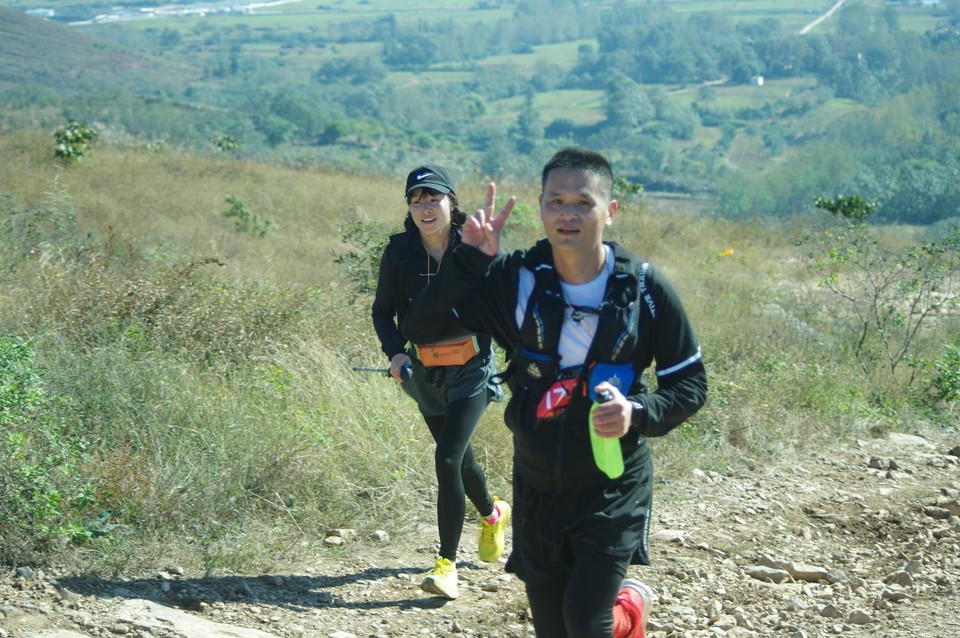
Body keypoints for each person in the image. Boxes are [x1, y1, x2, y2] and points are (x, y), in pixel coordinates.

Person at [402, 149, 707, 637]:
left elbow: (690, 384)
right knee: (553, 629)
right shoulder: (517, 278)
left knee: (585, 623)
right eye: (556, 202)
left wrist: (637, 411)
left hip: (613, 483)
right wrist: (469, 259)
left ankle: (624, 612)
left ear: (610, 211)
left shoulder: (643, 289)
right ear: (541, 207)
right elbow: (420, 328)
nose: (568, 214)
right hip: (537, 482)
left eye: (583, 202)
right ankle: (628, 615)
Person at [371, 164, 511, 601]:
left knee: (446, 458)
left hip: (472, 367)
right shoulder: (399, 253)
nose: (426, 208)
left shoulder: (474, 243)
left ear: (452, 202)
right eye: (417, 201)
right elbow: (382, 312)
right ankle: (492, 514)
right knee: (460, 460)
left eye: (434, 198)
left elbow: (505, 302)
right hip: (424, 371)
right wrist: (395, 353)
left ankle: (446, 566)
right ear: (409, 208)